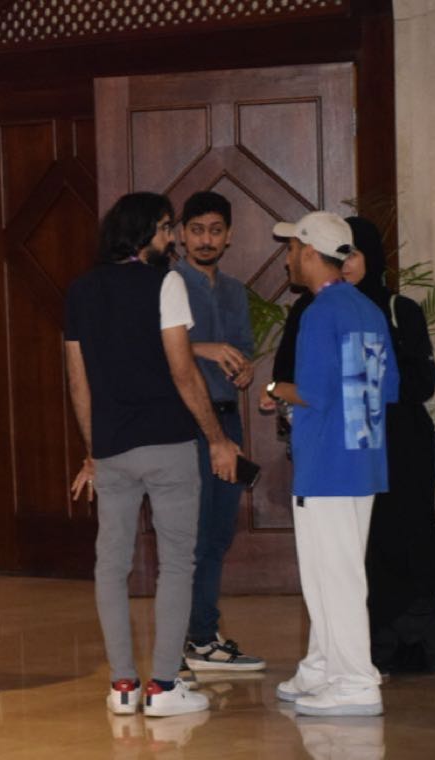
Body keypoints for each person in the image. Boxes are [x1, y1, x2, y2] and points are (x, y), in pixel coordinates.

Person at [65, 192, 239, 718]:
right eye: (166, 228)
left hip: (113, 450)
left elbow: (79, 383)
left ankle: (123, 685)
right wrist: (216, 437)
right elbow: (183, 371)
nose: (172, 239)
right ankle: (163, 687)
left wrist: (93, 452)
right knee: (177, 564)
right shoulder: (166, 283)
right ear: (146, 233)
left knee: (111, 565)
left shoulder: (80, 290)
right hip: (167, 444)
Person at [271, 211, 398, 717]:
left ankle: (355, 682)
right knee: (332, 573)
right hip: (362, 460)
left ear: (308, 252)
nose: (287, 258)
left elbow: (314, 392)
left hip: (326, 463)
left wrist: (274, 388)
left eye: (291, 248)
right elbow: (389, 388)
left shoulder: (319, 312)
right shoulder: (368, 308)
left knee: (335, 576)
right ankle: (323, 667)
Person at [342, 215, 435, 673]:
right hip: (355, 445)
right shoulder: (325, 311)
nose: (345, 264)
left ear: (372, 256)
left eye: (353, 253)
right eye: (338, 254)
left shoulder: (398, 309)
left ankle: (424, 629)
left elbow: (422, 381)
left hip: (403, 441)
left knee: (406, 535)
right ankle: (378, 642)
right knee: (367, 544)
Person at [172, 191, 265, 672]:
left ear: (229, 236)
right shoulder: (168, 284)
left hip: (228, 418)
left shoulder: (234, 291)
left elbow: (243, 348)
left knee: (217, 534)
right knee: (190, 533)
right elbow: (153, 350)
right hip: (185, 421)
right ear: (180, 235)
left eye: (215, 231)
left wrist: (245, 369)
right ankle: (190, 638)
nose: (205, 240)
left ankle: (202, 636)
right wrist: (202, 348)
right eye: (196, 230)